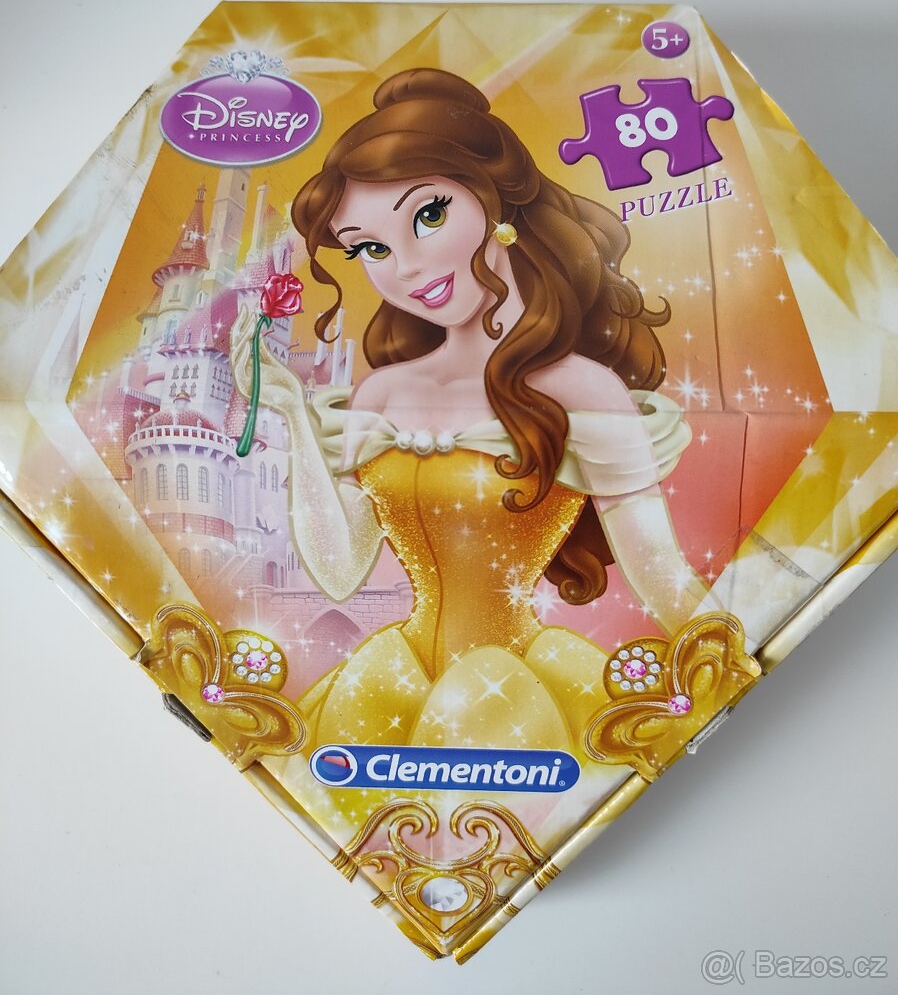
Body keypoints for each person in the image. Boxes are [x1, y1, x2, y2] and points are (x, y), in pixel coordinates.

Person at [230, 68, 706, 759]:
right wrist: (292, 417)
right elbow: (339, 570)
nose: (405, 267)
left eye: (429, 215)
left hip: (517, 695)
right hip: (391, 686)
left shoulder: (583, 391)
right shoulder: (381, 395)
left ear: (496, 204)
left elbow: (660, 574)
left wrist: (734, 658)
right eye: (370, 248)